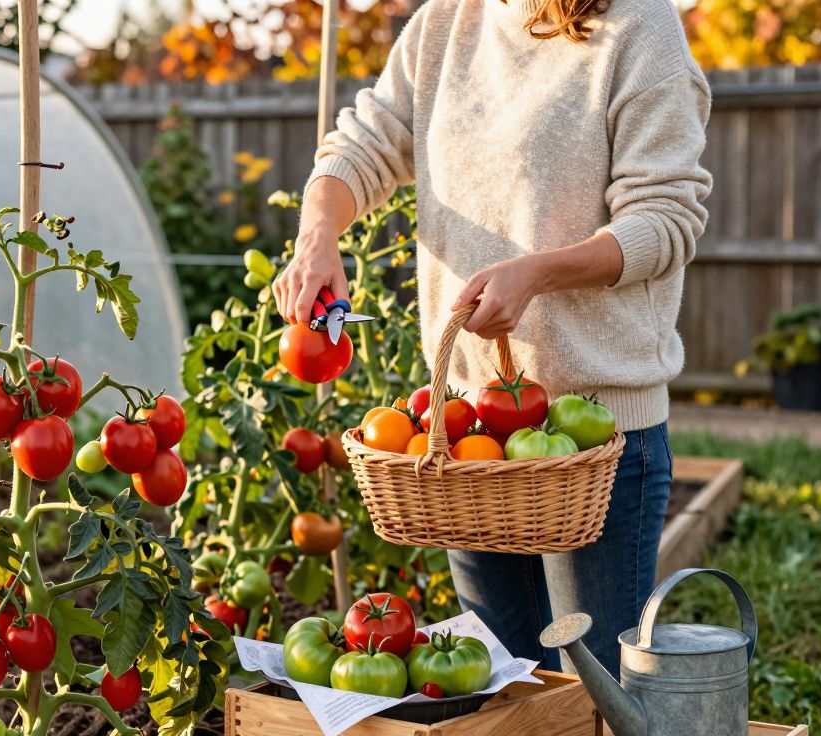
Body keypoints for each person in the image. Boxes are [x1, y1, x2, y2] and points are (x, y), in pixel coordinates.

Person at [271, 0, 711, 673]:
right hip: (471, 433)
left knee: (594, 692)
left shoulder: (640, 27)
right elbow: (361, 145)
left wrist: (537, 273)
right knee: (499, 682)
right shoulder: (445, 25)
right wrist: (318, 233)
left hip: (595, 437)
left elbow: (667, 217)